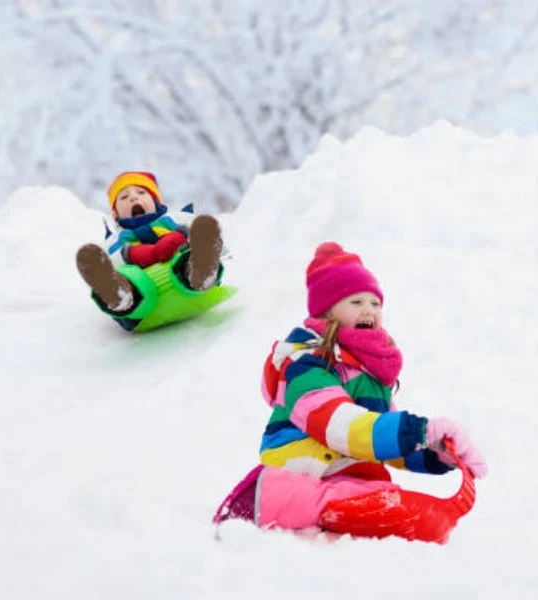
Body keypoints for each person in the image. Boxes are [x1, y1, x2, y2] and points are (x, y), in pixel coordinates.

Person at [213, 241, 487, 535]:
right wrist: (418, 429)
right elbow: (338, 423)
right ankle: (266, 494)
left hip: (348, 476)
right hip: (308, 471)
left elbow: (383, 441)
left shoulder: (368, 373)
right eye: (356, 302)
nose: (369, 310)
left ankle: (352, 504)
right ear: (327, 313)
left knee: (411, 513)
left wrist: (436, 451)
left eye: (375, 303)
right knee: (383, 507)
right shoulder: (308, 364)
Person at [76, 171, 227, 331]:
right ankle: (121, 296)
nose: (134, 198)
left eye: (142, 192)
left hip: (186, 278)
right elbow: (112, 261)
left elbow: (214, 245)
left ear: (156, 201)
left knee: (187, 255)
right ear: (115, 214)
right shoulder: (117, 239)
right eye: (124, 197)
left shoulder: (175, 220)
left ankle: (201, 272)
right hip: (141, 302)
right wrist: (134, 254)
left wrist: (182, 238)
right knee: (128, 276)